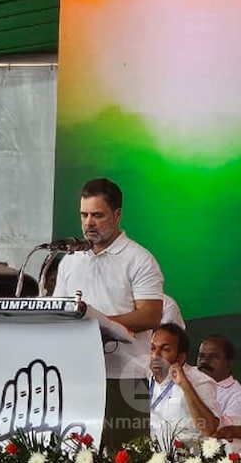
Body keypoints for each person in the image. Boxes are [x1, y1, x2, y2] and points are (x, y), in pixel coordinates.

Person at [52, 178, 165, 448]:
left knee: (122, 453)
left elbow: (151, 314)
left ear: (117, 214)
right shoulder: (70, 259)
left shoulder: (139, 259)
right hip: (77, 376)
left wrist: (98, 323)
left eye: (97, 215)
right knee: (75, 452)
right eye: (84, 215)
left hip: (124, 379)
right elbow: (58, 309)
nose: (88, 222)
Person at [148, 323, 221, 441]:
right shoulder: (143, 378)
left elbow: (209, 428)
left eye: (165, 349)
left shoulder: (199, 382)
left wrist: (184, 385)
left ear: (181, 357)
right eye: (152, 348)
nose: (155, 355)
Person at [196, 335, 241, 423]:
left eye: (213, 356)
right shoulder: (187, 383)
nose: (204, 361)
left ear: (230, 362)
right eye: (201, 356)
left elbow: (225, 430)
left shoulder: (240, 396)